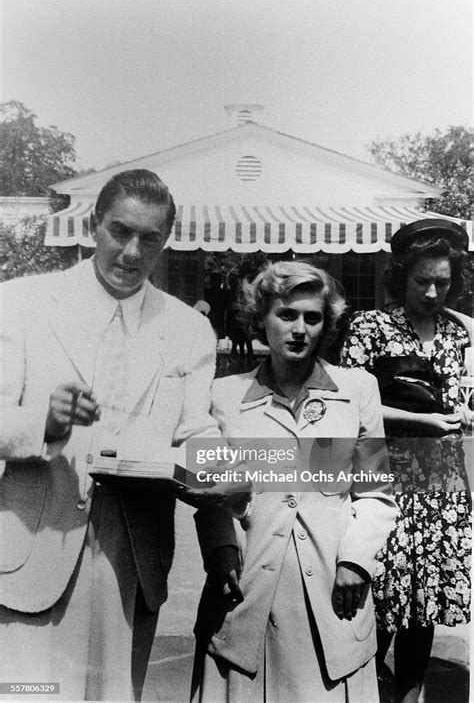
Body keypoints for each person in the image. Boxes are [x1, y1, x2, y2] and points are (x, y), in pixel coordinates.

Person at [0, 169, 235, 701]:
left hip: (131, 561)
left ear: (165, 241)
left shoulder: (188, 329)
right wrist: (45, 420)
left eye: (149, 239)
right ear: (93, 225)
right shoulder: (20, 302)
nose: (131, 252)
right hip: (30, 552)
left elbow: (195, 430)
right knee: (26, 695)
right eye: (119, 231)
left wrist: (221, 465)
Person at [191, 260, 397, 702]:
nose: (299, 328)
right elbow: (207, 497)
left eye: (312, 317)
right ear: (261, 319)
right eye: (287, 315)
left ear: (326, 325)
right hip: (246, 597)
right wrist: (220, 550)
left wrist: (355, 562)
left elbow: (376, 494)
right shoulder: (222, 396)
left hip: (331, 596)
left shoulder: (358, 390)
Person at [339, 219, 472, 703]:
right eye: (423, 281)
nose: (434, 292)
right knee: (377, 603)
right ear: (401, 277)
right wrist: (423, 424)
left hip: (443, 488)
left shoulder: (459, 336)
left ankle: (411, 695)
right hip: (386, 482)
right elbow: (352, 404)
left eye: (443, 281)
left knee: (424, 606)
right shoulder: (370, 327)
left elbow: (460, 399)